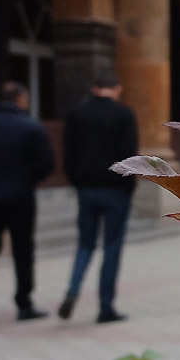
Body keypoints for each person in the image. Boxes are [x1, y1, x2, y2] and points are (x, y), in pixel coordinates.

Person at [0, 81, 55, 320]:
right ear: (21, 100)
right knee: (23, 249)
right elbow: (46, 163)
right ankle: (24, 303)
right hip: (21, 197)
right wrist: (28, 179)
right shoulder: (31, 126)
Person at [58, 73, 138, 323]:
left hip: (86, 188)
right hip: (115, 189)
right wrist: (129, 187)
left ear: (94, 88)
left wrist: (77, 181)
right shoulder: (124, 114)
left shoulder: (76, 114)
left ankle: (72, 290)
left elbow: (68, 151)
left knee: (85, 244)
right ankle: (105, 307)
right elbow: (128, 155)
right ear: (117, 89)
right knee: (111, 247)